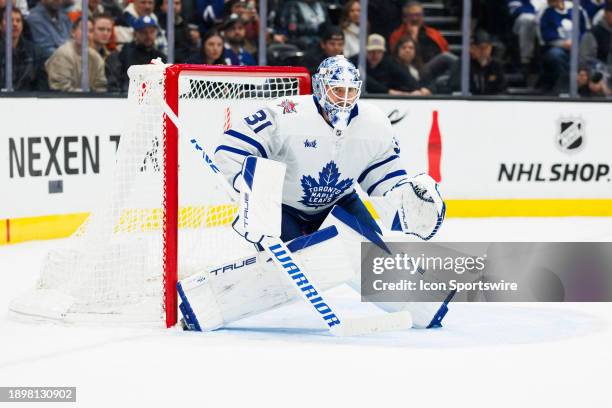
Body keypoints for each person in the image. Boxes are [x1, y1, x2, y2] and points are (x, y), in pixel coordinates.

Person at [199, 55, 448, 332]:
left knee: (371, 258)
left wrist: (404, 196)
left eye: (350, 90)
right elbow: (230, 152)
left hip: (339, 201)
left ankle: (421, 305)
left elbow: (383, 176)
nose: (344, 98)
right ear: (319, 87)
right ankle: (209, 300)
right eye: (337, 90)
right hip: (283, 206)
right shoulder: (286, 112)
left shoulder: (375, 123)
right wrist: (252, 201)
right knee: (296, 270)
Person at [105, 15, 167, 92]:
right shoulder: (123, 54)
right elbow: (116, 84)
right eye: (143, 32)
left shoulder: (161, 57)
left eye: (152, 31)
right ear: (135, 34)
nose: (148, 36)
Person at [45, 16, 108, 92]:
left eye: (90, 31)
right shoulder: (63, 54)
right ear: (73, 32)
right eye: (83, 30)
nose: (87, 34)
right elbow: (60, 88)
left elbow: (101, 86)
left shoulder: (96, 57)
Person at [538, 0, 589, 92]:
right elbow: (543, 36)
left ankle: (580, 87)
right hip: (556, 47)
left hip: (579, 47)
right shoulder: (545, 11)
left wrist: (577, 42)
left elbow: (586, 30)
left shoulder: (576, 9)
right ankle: (565, 87)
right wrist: (561, 43)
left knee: (585, 58)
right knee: (555, 55)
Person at [350, 34, 420, 95]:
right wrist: (388, 91)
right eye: (372, 51)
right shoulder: (355, 62)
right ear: (365, 51)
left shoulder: (388, 62)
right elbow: (365, 80)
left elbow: (404, 76)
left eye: (379, 52)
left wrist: (418, 89)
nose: (375, 55)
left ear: (383, 53)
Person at [0, 7, 47, 90]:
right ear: (0, 25)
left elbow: (42, 87)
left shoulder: (35, 53)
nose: (15, 24)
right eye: (10, 20)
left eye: (18, 21)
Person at [449, 30, 506, 95]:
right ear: (472, 48)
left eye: (486, 48)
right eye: (480, 48)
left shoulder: (496, 66)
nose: (483, 51)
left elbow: (503, 89)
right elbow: (456, 89)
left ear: (490, 48)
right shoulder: (462, 65)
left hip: (492, 103)